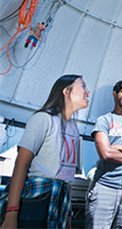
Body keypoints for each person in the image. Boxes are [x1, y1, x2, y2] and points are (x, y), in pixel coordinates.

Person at [0, 74, 90, 229]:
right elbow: (21, 164)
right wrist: (11, 213)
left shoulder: (74, 128)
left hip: (59, 200)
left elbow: (68, 176)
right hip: (37, 199)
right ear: (66, 91)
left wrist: (68, 214)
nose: (87, 92)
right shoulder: (43, 119)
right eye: (82, 86)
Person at [85, 80, 122, 229]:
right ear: (115, 94)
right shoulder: (104, 120)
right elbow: (105, 153)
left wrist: (119, 147)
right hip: (104, 187)